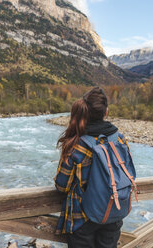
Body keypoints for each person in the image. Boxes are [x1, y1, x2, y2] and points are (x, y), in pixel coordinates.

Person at [54, 87, 132, 248]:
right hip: (113, 210)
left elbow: (62, 186)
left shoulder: (77, 144)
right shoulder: (120, 139)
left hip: (82, 216)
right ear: (106, 112)